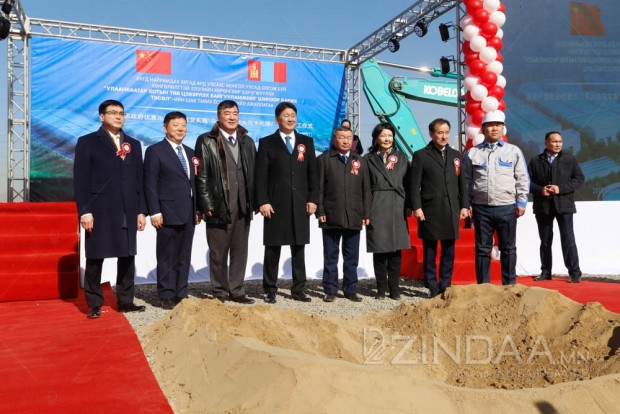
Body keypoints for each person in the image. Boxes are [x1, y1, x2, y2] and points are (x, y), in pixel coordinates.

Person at [73, 99, 147, 319]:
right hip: (100, 210)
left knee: (127, 256)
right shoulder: (87, 142)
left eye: (121, 113)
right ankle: (94, 303)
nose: (118, 116)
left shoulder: (133, 144)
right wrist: (85, 211)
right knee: (96, 257)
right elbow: (81, 180)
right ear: (102, 116)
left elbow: (139, 179)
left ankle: (125, 301)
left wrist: (141, 211)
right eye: (113, 112)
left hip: (128, 209)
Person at [255, 101, 319, 303]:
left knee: (298, 249)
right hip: (275, 205)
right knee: (272, 249)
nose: (290, 119)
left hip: (300, 204)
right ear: (277, 119)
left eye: (293, 115)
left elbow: (313, 175)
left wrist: (313, 199)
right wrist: (263, 201)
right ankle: (270, 289)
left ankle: (299, 289)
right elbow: (260, 176)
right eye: (286, 116)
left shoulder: (306, 142)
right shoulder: (267, 143)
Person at [195, 100, 257, 304]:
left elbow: (254, 173)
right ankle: (219, 291)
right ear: (219, 116)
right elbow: (201, 175)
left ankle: (237, 290)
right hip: (219, 206)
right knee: (218, 253)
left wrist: (255, 202)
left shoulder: (247, 141)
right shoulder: (206, 140)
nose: (232, 117)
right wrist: (206, 204)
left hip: (243, 206)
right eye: (227, 113)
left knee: (240, 252)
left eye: (235, 113)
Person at [461, 110, 530, 285]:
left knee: (508, 249)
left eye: (498, 125)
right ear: (483, 129)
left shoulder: (513, 151)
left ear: (503, 129)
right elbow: (465, 181)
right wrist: (466, 204)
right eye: (490, 125)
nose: (494, 128)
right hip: (481, 209)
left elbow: (522, 178)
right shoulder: (472, 153)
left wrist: (522, 202)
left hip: (507, 207)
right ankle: (483, 287)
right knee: (482, 249)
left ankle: (509, 285)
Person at [144, 111, 201, 310]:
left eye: (183, 125)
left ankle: (181, 292)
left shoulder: (191, 152)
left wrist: (197, 209)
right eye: (175, 125)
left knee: (184, 255)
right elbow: (150, 183)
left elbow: (193, 184)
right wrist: (154, 211)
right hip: (166, 212)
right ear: (165, 127)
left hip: (188, 213)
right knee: (167, 256)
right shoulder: (155, 151)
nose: (180, 129)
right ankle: (166, 294)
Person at [409, 119, 469, 298]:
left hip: (451, 208)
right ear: (431, 134)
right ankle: (432, 286)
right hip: (430, 210)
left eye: (446, 132)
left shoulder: (456, 155)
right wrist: (417, 207)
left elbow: (462, 183)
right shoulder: (421, 155)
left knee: (449, 250)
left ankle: (445, 284)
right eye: (440, 132)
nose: (444, 136)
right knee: (430, 251)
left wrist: (465, 205)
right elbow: (414, 185)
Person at [316, 127, 371, 302]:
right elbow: (319, 188)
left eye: (349, 137)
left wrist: (366, 213)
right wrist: (320, 210)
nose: (346, 141)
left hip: (354, 215)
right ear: (335, 139)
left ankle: (350, 289)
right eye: (342, 137)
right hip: (331, 215)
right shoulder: (324, 159)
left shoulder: (360, 161)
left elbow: (366, 189)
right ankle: (330, 290)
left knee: (351, 257)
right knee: (330, 256)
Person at [528, 131, 584, 283]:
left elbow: (579, 179)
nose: (558, 144)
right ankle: (545, 272)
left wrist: (561, 189)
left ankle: (574, 273)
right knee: (545, 240)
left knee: (568, 239)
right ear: (546, 143)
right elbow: (526, 181)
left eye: (560, 141)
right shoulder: (535, 160)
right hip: (543, 206)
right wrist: (540, 190)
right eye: (554, 141)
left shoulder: (570, 159)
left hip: (564, 205)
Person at [364, 122, 411, 300]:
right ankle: (381, 288)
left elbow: (409, 183)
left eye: (390, 136)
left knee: (395, 250)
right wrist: (365, 211)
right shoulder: (368, 158)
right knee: (379, 249)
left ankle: (395, 288)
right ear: (376, 138)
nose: (387, 139)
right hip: (376, 204)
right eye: (383, 135)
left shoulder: (402, 157)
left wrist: (409, 205)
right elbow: (364, 187)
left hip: (397, 204)